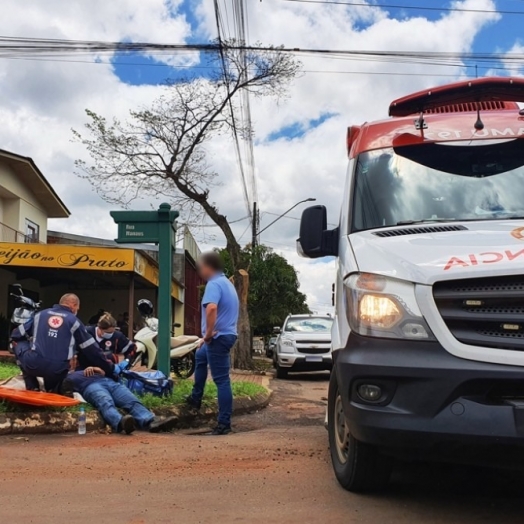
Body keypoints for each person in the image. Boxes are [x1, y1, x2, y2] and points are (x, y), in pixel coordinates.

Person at [11, 294, 115, 392]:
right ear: (73, 305)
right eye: (77, 308)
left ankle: (31, 385)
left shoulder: (40, 315)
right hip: (58, 371)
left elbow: (17, 334)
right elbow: (93, 350)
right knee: (55, 371)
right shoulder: (75, 321)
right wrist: (109, 369)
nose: (76, 311)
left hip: (33, 365)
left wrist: (31, 342)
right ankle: (53, 388)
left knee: (16, 343)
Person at [186, 251, 239, 435]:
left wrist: (207, 334)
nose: (200, 271)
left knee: (221, 380)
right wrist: (205, 338)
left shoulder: (214, 283)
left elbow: (212, 308)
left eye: (201, 268)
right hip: (226, 334)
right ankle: (195, 397)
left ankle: (224, 424)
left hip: (217, 338)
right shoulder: (227, 284)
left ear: (209, 267)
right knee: (200, 356)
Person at [62, 367, 177, 434]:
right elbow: (66, 394)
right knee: (105, 402)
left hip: (108, 381)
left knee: (131, 400)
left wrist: (97, 369)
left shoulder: (84, 368)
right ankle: (120, 423)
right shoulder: (66, 378)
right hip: (90, 387)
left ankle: (150, 420)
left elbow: (106, 371)